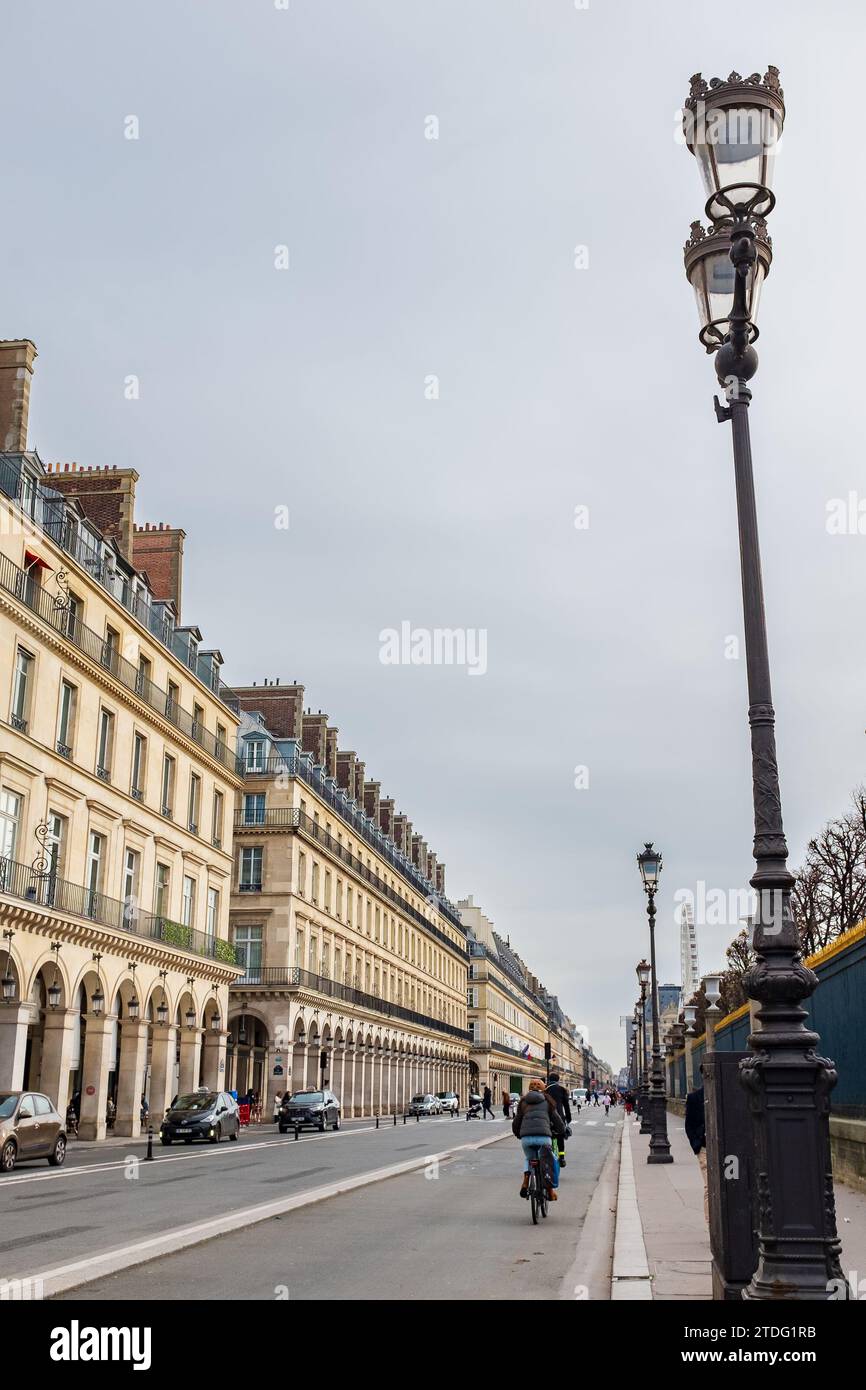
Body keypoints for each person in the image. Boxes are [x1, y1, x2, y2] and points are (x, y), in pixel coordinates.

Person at [513, 1079, 565, 1202]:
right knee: (548, 1162)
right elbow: (556, 1119)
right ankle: (550, 1192)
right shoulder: (548, 1101)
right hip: (544, 1137)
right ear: (544, 1088)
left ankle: (526, 1181)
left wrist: (518, 1134)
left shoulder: (523, 1102)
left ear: (529, 1088)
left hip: (526, 1138)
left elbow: (516, 1121)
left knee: (529, 1158)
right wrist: (561, 1130)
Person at [685, 1078, 708, 1222]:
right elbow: (689, 1125)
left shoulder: (726, 1093)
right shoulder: (694, 1098)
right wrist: (697, 1146)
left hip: (727, 1151)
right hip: (704, 1148)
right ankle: (711, 1225)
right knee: (709, 1187)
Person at [545, 1073, 572, 1168]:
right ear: (558, 1080)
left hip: (548, 1117)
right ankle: (562, 1157)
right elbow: (566, 1106)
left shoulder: (546, 1090)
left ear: (549, 1079)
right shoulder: (562, 1090)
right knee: (560, 1136)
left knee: (549, 1136)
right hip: (560, 1116)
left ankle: (549, 1155)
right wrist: (568, 1118)